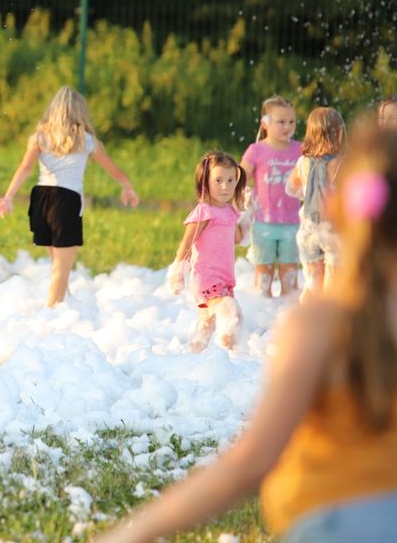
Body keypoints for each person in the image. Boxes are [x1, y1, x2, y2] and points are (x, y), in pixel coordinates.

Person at [95, 123, 397, 543]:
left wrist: (129, 534)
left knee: (219, 316)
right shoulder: (328, 321)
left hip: (325, 522)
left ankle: (212, 346)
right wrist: (180, 266)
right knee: (219, 314)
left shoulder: (322, 324)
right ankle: (213, 345)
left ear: (342, 209)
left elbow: (250, 462)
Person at [0, 86, 139, 307]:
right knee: (60, 273)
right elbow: (114, 170)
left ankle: (65, 307)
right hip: (66, 201)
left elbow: (25, 167)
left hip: (40, 200)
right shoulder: (86, 140)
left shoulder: (40, 137)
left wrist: (8, 196)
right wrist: (127, 187)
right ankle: (51, 319)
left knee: (57, 268)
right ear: (80, 112)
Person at [168, 151, 249, 352]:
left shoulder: (230, 211)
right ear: (205, 182)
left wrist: (248, 213)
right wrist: (178, 273)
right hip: (207, 279)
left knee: (207, 323)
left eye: (231, 180)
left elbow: (238, 238)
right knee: (231, 313)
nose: (225, 186)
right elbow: (186, 245)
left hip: (224, 278)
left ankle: (194, 355)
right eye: (218, 180)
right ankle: (232, 356)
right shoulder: (204, 212)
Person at [241, 95, 303, 297]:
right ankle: (263, 318)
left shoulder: (300, 150)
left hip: (293, 222)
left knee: (290, 278)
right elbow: (240, 179)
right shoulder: (256, 150)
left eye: (292, 122)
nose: (288, 126)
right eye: (281, 122)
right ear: (265, 123)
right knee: (263, 278)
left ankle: (288, 316)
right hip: (263, 223)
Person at [286, 107, 345, 298]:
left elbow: (291, 188)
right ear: (339, 132)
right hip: (333, 230)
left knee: (312, 281)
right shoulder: (343, 162)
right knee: (333, 283)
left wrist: (309, 193)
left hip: (308, 230)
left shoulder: (303, 162)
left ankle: (309, 319)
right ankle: (328, 320)